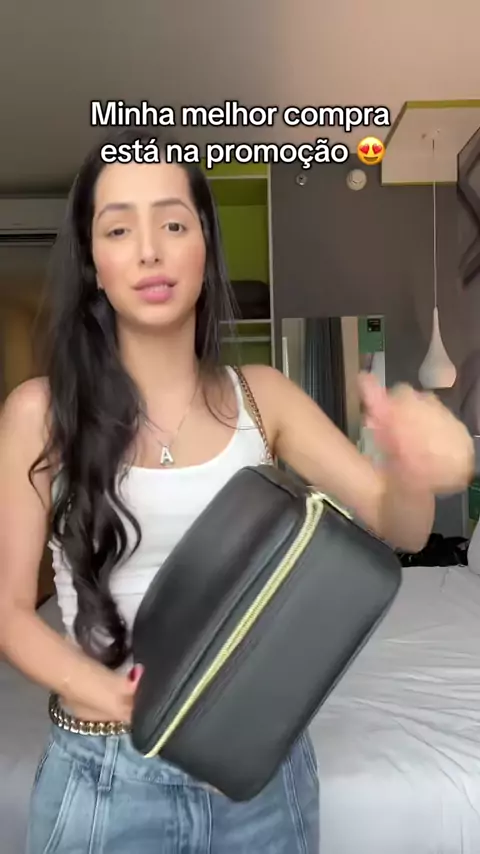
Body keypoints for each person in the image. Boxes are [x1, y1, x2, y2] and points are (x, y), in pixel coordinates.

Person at [0, 127, 474, 854]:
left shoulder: (266, 397)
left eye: (173, 224)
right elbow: (9, 614)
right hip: (103, 779)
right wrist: (124, 701)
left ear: (205, 245)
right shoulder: (40, 413)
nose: (150, 250)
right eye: (119, 229)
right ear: (93, 263)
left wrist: (413, 470)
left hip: (259, 780)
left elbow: (399, 526)